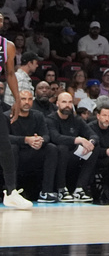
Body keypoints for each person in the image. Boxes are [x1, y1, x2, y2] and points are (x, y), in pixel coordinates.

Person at [0, 22, 32, 209]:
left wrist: (17, 100)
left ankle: (11, 192)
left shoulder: (7, 46)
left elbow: (10, 73)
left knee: (5, 145)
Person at [46, 91, 99, 202]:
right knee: (62, 148)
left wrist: (91, 143)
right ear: (57, 104)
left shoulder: (76, 119)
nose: (67, 105)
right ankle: (61, 189)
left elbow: (93, 135)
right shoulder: (51, 119)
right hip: (56, 156)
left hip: (74, 155)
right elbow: (56, 137)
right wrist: (78, 140)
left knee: (94, 149)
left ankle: (80, 189)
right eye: (64, 102)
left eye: (70, 102)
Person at [10, 89, 59, 204]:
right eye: (23, 99)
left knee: (51, 148)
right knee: (12, 148)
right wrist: (26, 140)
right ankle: (12, 190)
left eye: (30, 99)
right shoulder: (7, 116)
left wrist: (40, 140)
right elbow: (5, 137)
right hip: (16, 154)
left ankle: (46, 192)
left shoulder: (38, 115)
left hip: (33, 152)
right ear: (17, 100)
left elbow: (47, 135)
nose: (27, 102)